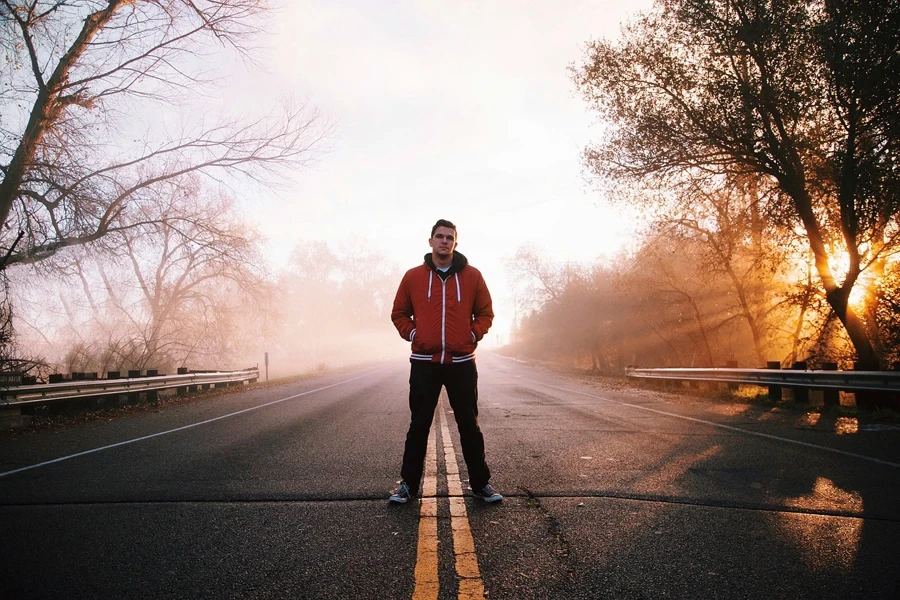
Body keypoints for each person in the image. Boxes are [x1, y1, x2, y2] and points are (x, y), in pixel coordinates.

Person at [389, 219, 502, 504]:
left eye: (449, 237)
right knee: (419, 425)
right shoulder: (413, 277)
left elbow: (486, 313)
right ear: (430, 242)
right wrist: (414, 333)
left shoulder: (473, 276)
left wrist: (473, 334)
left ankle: (480, 484)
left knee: (469, 426)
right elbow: (399, 313)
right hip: (424, 362)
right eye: (439, 236)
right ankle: (408, 486)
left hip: (462, 362)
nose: (444, 241)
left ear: (455, 243)